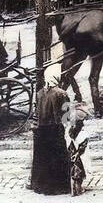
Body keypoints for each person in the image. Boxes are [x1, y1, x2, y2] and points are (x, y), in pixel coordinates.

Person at [30, 62, 71, 195]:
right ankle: (60, 187)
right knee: (58, 156)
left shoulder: (40, 93)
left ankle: (41, 185)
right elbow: (67, 116)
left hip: (42, 130)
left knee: (43, 158)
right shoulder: (62, 93)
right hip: (56, 130)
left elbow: (36, 113)